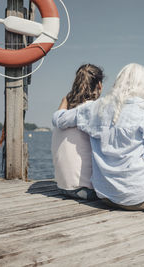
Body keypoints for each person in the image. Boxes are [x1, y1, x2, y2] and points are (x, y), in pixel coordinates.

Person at [53, 63, 144, 210]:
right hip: (139, 195)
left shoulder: (95, 108)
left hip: (105, 195)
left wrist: (63, 104)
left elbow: (59, 120)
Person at [51, 64, 104, 200]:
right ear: (99, 85)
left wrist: (65, 100)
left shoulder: (64, 114)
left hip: (62, 187)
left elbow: (57, 117)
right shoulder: (92, 111)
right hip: (86, 190)